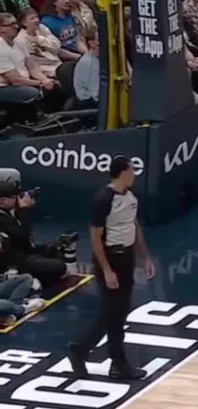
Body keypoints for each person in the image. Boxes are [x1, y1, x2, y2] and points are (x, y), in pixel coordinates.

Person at [67, 156, 155, 381]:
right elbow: (95, 237)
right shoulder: (104, 198)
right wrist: (106, 269)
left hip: (126, 257)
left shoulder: (130, 197)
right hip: (111, 258)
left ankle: (100, 357)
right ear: (123, 173)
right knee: (112, 312)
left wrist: (145, 256)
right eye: (131, 171)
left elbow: (134, 226)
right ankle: (91, 353)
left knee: (119, 312)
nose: (134, 175)